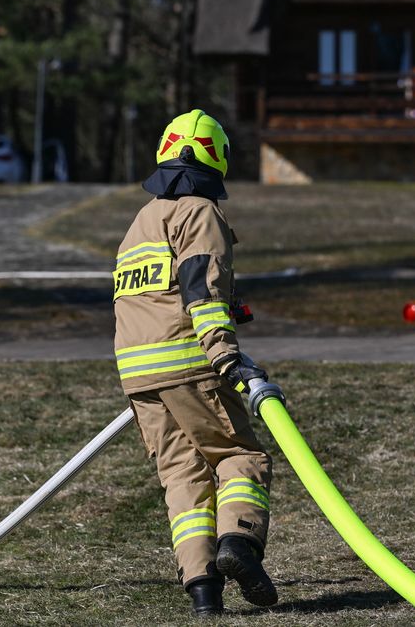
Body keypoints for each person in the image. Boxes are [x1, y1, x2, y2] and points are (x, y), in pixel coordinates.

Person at [113, 109, 277, 617]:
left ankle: (203, 590)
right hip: (190, 362)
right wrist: (227, 356)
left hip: (138, 374)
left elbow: (153, 295)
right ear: (215, 157)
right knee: (240, 458)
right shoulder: (199, 211)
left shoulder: (140, 222)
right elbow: (200, 289)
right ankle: (239, 544)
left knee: (183, 477)